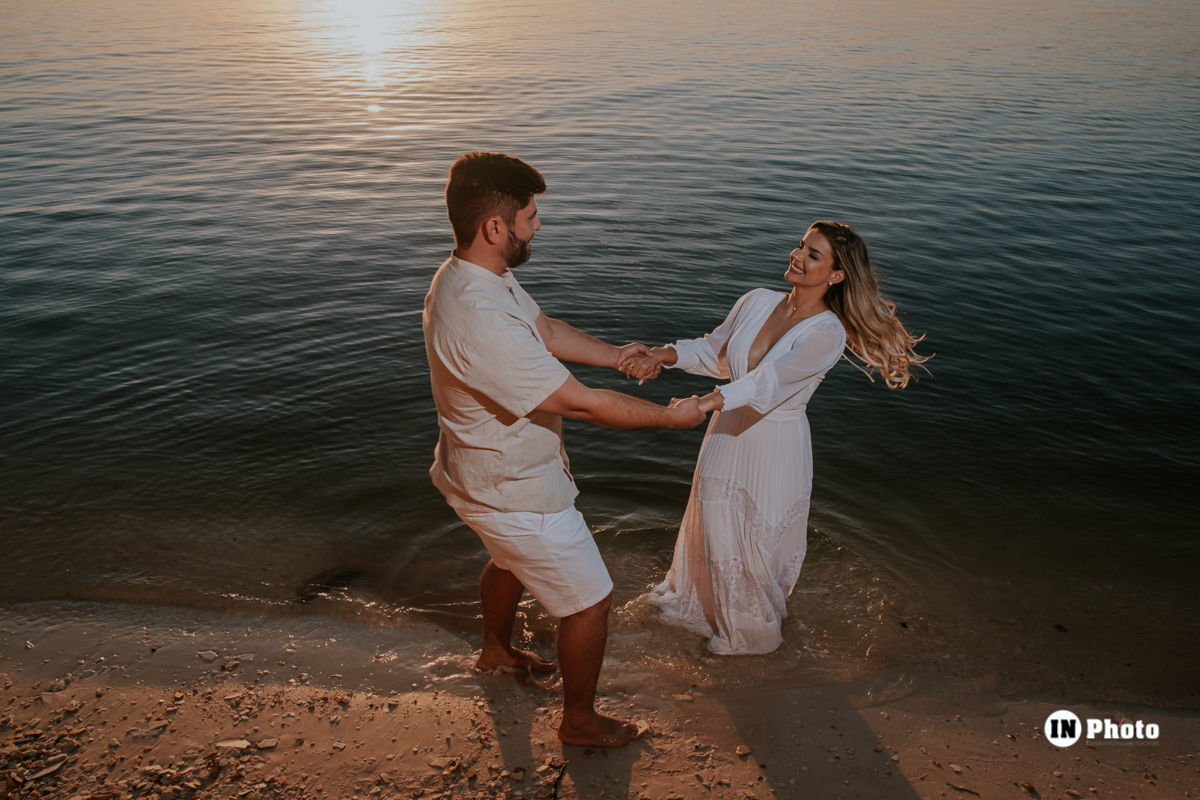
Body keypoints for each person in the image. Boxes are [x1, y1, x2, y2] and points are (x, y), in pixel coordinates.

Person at [422, 152, 706, 747]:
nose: (538, 226)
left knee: (507, 561)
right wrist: (673, 419)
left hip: (476, 474)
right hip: (516, 492)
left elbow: (545, 330)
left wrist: (620, 355)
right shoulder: (478, 316)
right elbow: (577, 404)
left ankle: (496, 651)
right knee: (590, 604)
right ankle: (578, 722)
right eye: (529, 217)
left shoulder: (475, 275)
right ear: (495, 228)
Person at [622, 220, 929, 655]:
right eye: (801, 246)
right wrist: (662, 355)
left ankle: (751, 639)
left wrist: (701, 405)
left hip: (773, 446)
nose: (797, 256)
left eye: (813, 254)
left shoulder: (826, 333)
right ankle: (704, 615)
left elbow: (767, 385)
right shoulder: (757, 300)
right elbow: (716, 351)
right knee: (714, 528)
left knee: (755, 542)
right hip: (726, 434)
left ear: (836, 275)